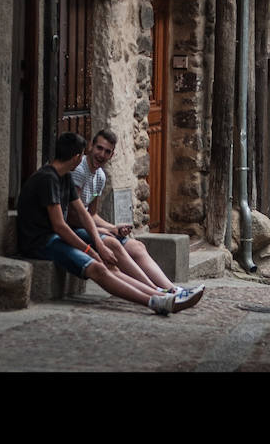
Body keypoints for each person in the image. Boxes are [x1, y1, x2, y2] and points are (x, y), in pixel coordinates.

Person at [16, 132, 200, 315]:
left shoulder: (63, 176)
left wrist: (100, 241)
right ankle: (153, 301)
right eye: (87, 152)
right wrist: (91, 250)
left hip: (55, 236)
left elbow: (84, 212)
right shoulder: (48, 179)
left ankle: (161, 294)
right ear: (77, 157)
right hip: (41, 241)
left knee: (109, 260)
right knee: (97, 267)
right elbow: (60, 225)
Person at [71, 129, 205, 308]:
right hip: (74, 228)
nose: (102, 154)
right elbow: (75, 215)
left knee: (137, 246)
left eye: (107, 151)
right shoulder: (79, 171)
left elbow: (92, 214)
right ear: (90, 146)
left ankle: (173, 289)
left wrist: (113, 228)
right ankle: (157, 292)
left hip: (88, 226)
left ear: (113, 154)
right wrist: (105, 232)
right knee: (114, 244)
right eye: (99, 148)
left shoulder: (100, 176)